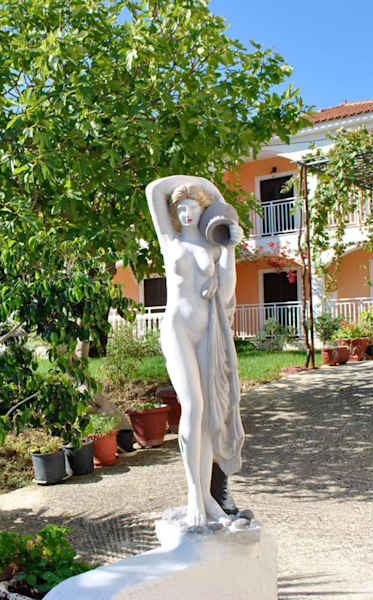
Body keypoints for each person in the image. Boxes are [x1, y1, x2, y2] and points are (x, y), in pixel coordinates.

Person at [146, 175, 245, 528]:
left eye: (194, 208)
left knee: (206, 417)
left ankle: (205, 497)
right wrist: (209, 191)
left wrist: (229, 243)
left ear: (203, 213)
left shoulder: (215, 248)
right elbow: (154, 191)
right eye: (182, 208)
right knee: (193, 406)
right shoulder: (169, 240)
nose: (187, 214)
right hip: (178, 331)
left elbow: (227, 293)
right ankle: (194, 495)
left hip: (208, 334)